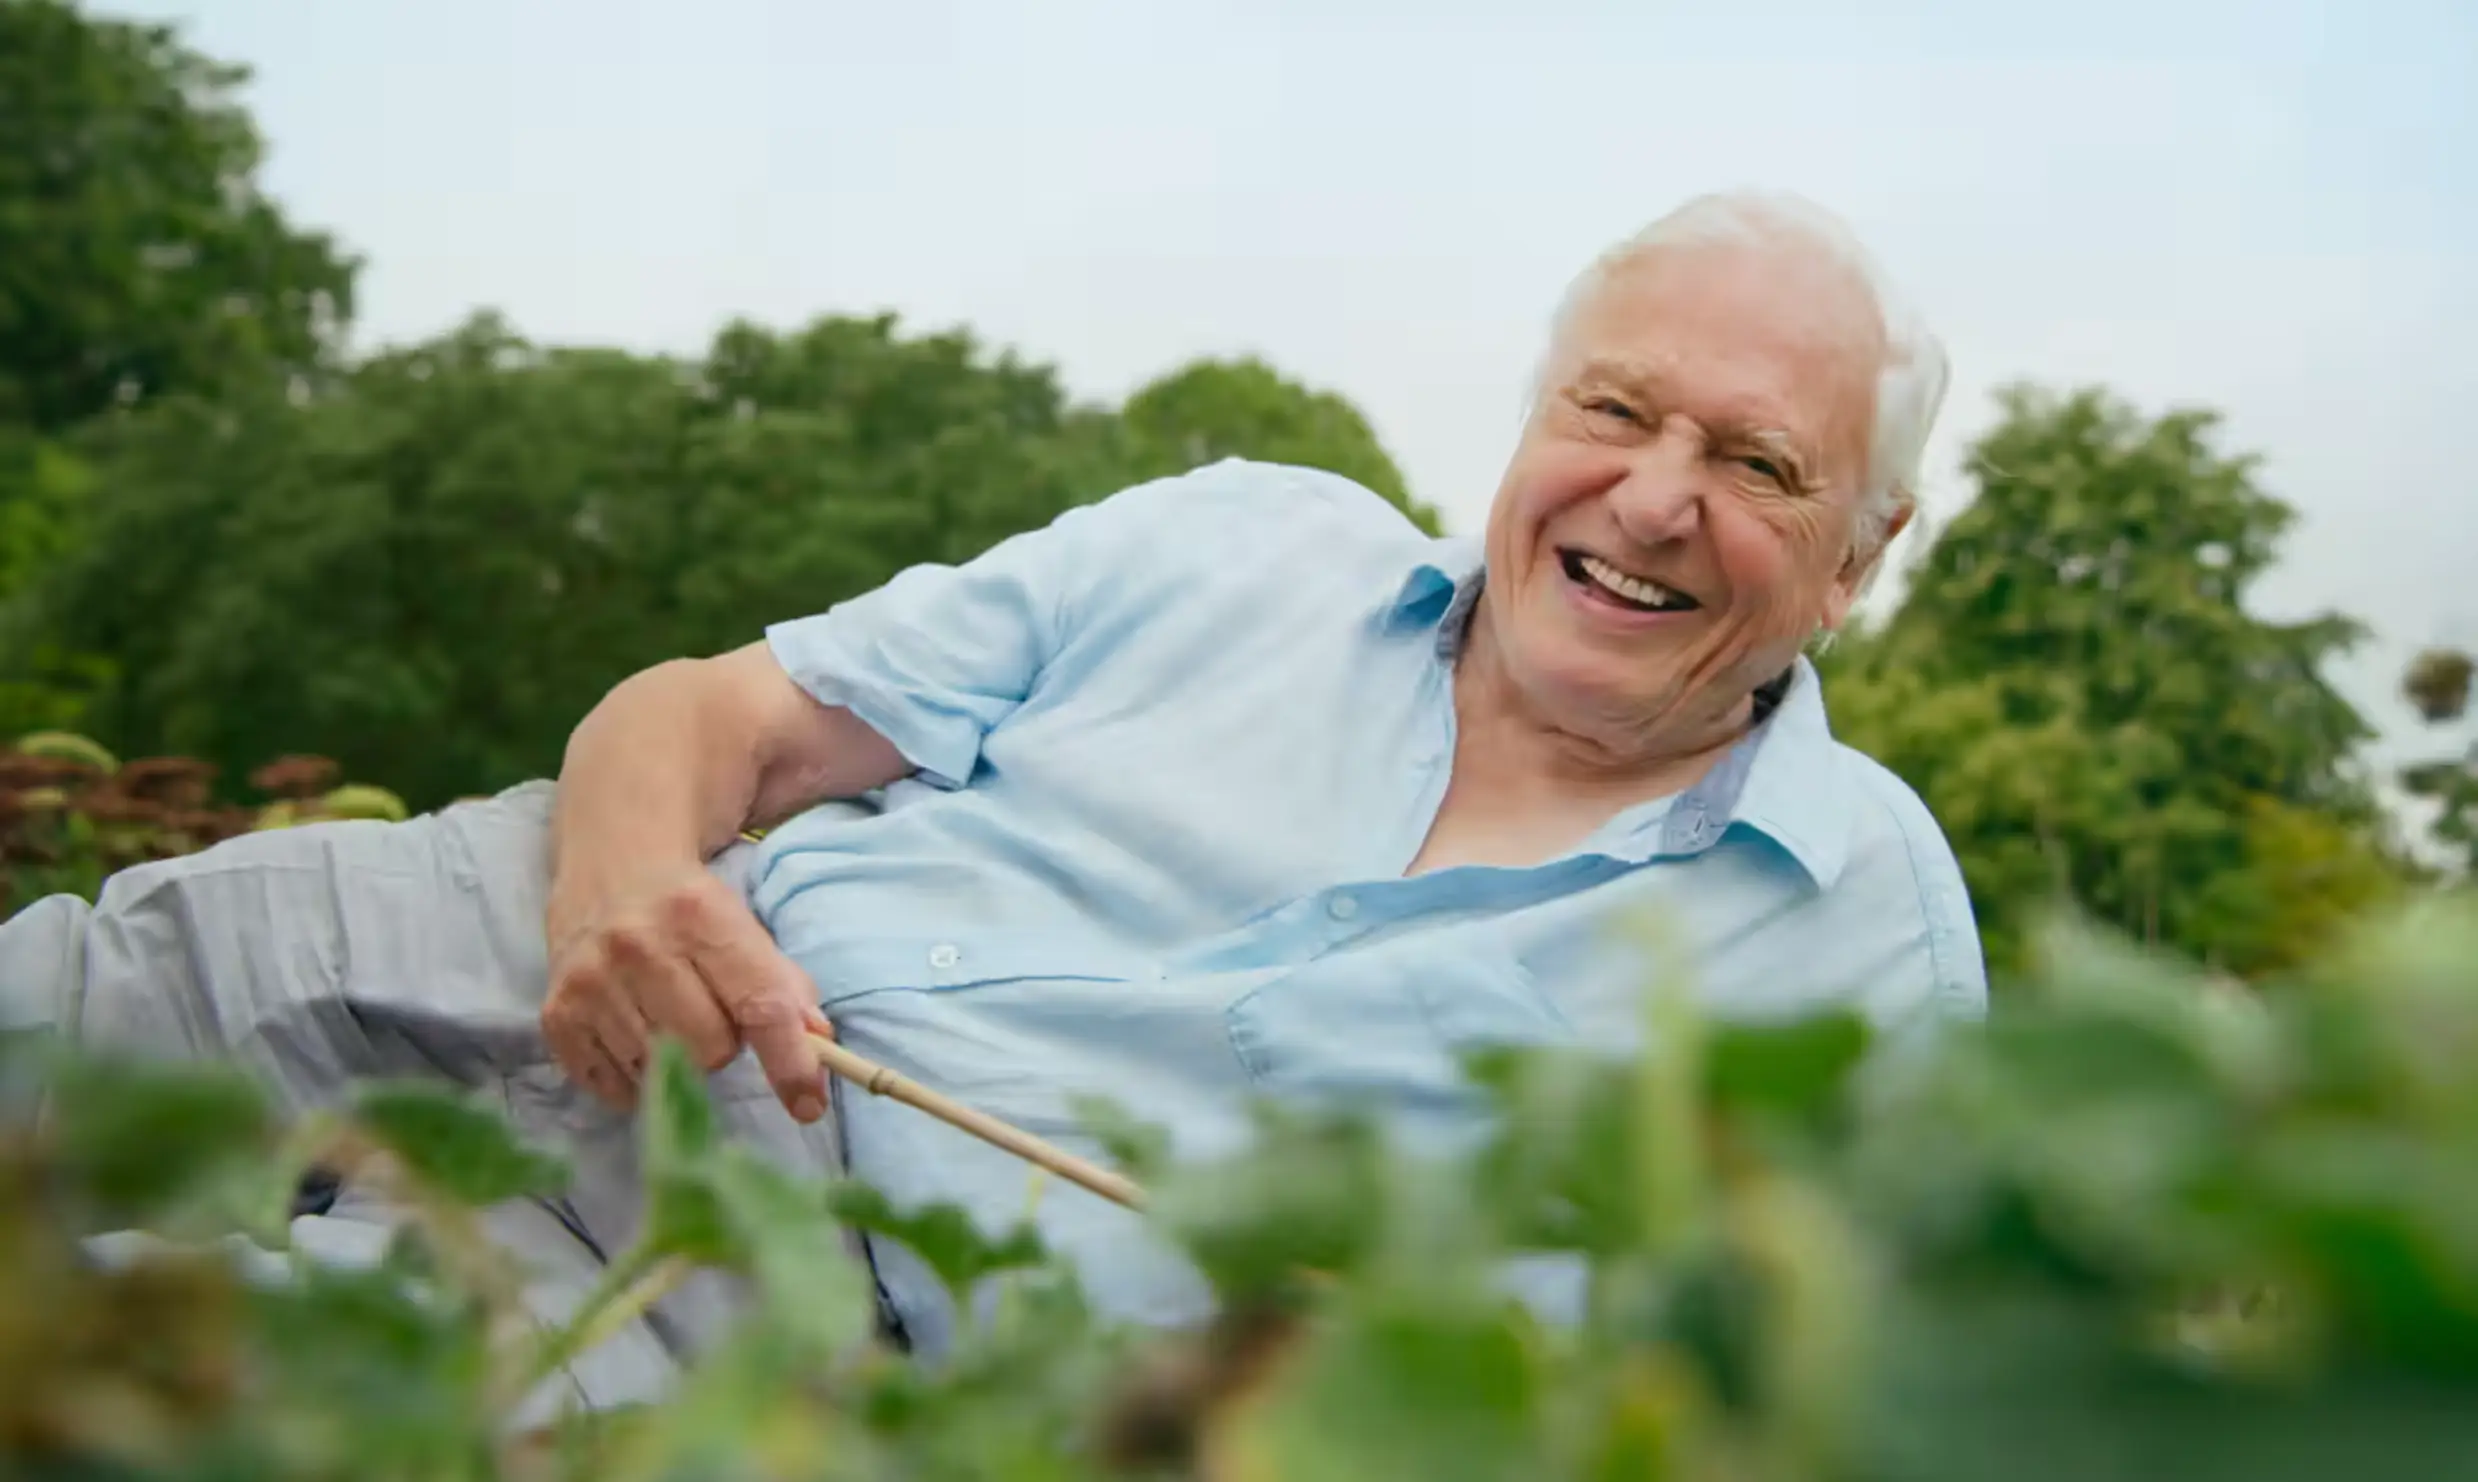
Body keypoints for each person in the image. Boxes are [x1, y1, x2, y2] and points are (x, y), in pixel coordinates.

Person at [0, 189, 1984, 1382]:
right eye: (1615, 408)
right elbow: (708, 717)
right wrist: (620, 877)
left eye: (1756, 463)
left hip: (791, 1309)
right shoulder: (1248, 537)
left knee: (170, 1384)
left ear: (1860, 553)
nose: (1652, 498)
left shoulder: (1857, 919)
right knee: (57, 1009)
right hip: (591, 923)